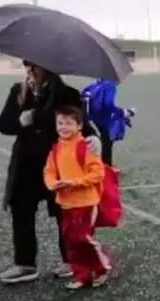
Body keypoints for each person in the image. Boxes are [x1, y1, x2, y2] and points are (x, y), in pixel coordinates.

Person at [0, 60, 101, 285]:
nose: (30, 70)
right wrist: (20, 121)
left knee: (64, 212)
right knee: (21, 211)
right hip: (25, 164)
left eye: (35, 65)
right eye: (27, 65)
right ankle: (25, 264)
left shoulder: (67, 94)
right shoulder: (18, 92)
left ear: (48, 67)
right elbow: (3, 125)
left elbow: (81, 123)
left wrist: (93, 137)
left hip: (59, 164)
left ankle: (70, 259)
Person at [43, 106, 111, 290]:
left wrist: (74, 182)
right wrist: (52, 184)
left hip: (86, 203)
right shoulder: (56, 148)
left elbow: (98, 173)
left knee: (83, 239)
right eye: (60, 123)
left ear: (79, 125)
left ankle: (101, 268)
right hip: (66, 203)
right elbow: (49, 171)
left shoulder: (85, 147)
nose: (63, 127)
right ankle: (82, 275)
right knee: (71, 241)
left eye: (68, 123)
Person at [81, 78, 135, 165]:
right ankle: (106, 166)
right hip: (105, 120)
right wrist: (124, 112)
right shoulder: (110, 85)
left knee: (103, 143)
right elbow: (108, 105)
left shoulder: (96, 84)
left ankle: (100, 164)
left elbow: (84, 96)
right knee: (107, 145)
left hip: (95, 119)